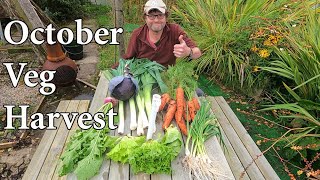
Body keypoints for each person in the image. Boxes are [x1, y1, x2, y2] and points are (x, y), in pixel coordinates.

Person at [121, 0, 202, 67]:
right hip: (143, 76)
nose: (156, 20)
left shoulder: (175, 31)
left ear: (166, 17)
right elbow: (128, 59)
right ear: (145, 18)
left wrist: (188, 52)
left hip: (166, 78)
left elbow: (197, 52)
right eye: (151, 16)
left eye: (160, 15)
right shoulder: (137, 35)